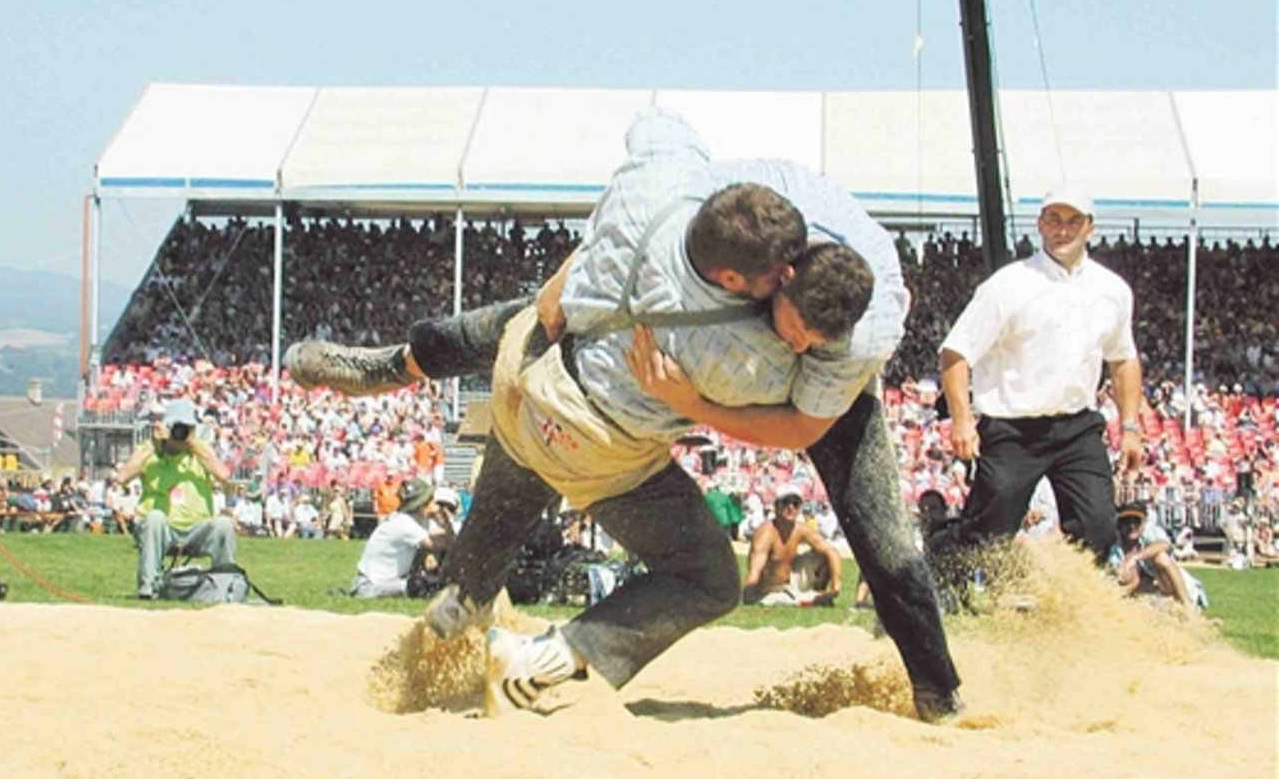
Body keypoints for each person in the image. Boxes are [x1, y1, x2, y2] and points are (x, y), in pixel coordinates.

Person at [290, 108, 963, 721]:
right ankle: (937, 692)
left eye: (805, 344)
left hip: (533, 380)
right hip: (599, 436)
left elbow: (655, 132)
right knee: (771, 560)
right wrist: (692, 402)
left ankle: (396, 376)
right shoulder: (741, 356)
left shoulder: (666, 192)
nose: (791, 345)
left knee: (526, 333)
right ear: (756, 277)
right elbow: (795, 429)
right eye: (782, 318)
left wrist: (564, 282)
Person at [932, 186, 1144, 567]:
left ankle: (1070, 610)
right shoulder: (1008, 285)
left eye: (1072, 221)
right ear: (1040, 224)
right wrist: (962, 421)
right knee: (989, 531)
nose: (1062, 230)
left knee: (1098, 527)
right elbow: (956, 352)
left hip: (1077, 426)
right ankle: (937, 575)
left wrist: (1130, 427)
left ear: (1089, 228)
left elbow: (1124, 358)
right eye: (1053, 219)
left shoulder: (1112, 290)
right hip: (1013, 429)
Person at [114, 397, 236, 599]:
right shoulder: (149, 451)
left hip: (197, 528)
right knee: (154, 518)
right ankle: (148, 587)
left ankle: (225, 586)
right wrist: (155, 445)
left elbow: (223, 475)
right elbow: (122, 477)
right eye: (177, 428)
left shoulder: (201, 451)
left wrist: (192, 443)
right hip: (162, 529)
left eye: (186, 428)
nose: (180, 433)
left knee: (223, 524)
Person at [351, 477, 452, 599]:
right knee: (420, 585)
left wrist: (431, 553)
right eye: (429, 501)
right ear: (420, 505)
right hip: (371, 585)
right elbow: (439, 544)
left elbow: (443, 541)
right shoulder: (404, 523)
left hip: (389, 580)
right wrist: (444, 520)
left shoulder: (418, 520)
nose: (434, 505)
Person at [743, 487, 842, 607]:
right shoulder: (766, 533)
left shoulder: (800, 529)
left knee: (824, 555)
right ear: (776, 506)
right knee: (781, 600)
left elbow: (832, 552)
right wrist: (748, 592)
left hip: (792, 581)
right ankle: (812, 600)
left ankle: (819, 593)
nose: (791, 508)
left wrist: (836, 587)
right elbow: (755, 569)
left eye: (795, 504)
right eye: (785, 502)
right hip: (770, 590)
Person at [1108, 503, 1207, 611]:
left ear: (1144, 523)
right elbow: (1133, 581)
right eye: (1127, 522)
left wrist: (1134, 558)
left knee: (1160, 558)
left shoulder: (1150, 533)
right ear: (1120, 524)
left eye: (1136, 521)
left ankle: (1187, 605)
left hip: (1175, 587)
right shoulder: (1116, 551)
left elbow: (1164, 544)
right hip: (1152, 594)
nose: (1132, 526)